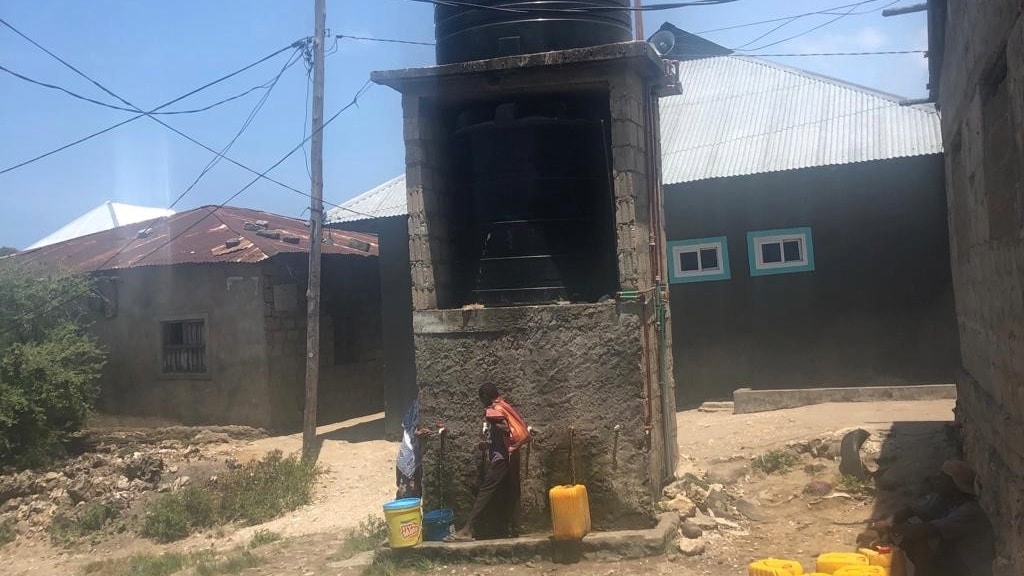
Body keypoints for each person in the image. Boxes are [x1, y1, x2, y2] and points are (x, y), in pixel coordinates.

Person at [871, 459, 994, 576]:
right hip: (952, 557)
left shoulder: (969, 511)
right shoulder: (945, 498)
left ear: (954, 484)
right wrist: (891, 519)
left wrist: (890, 527)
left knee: (920, 538)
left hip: (969, 568)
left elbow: (925, 530)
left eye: (942, 477)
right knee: (909, 535)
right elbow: (912, 509)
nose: (936, 479)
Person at [446, 383, 528, 542]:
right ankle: (513, 528)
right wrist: (488, 445)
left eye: (481, 399)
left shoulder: (494, 409)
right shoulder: (504, 405)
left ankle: (468, 530)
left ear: (485, 397)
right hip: (509, 456)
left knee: (485, 492)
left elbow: (505, 427)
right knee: (509, 492)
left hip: (502, 459)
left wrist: (493, 422)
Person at [395, 397, 431, 500]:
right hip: (408, 454)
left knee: (416, 489)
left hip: (417, 455)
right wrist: (417, 433)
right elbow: (409, 428)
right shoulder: (415, 406)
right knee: (406, 491)